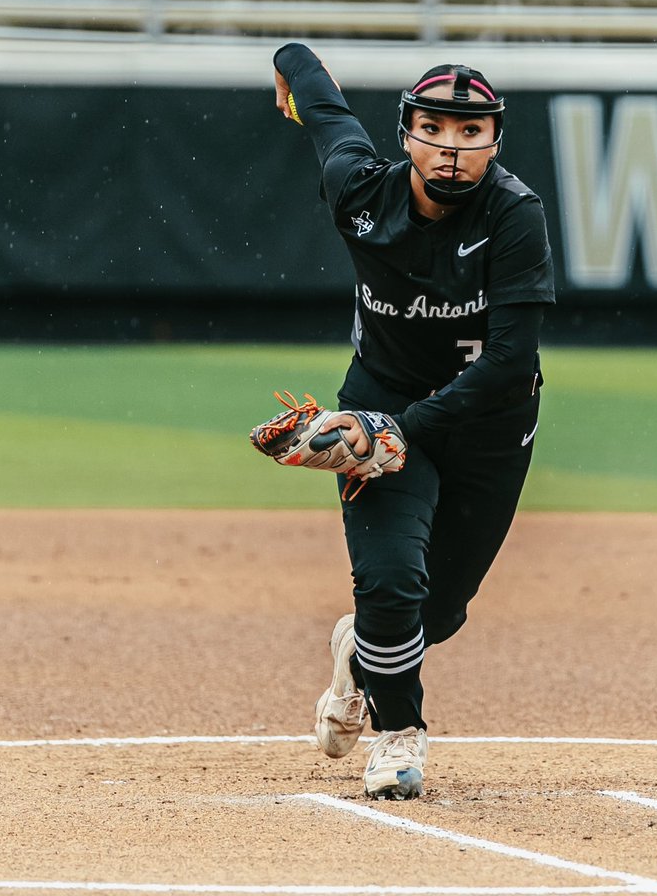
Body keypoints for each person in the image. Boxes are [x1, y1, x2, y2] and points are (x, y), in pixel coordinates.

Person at [271, 42, 555, 800]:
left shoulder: (515, 216)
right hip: (380, 398)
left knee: (439, 610)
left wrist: (400, 431)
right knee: (391, 585)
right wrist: (290, 63)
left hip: (489, 422)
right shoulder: (360, 192)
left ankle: (358, 658)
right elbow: (321, 103)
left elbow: (506, 362)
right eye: (435, 127)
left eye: (472, 132)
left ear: (495, 140)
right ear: (406, 134)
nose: (453, 148)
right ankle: (399, 736)